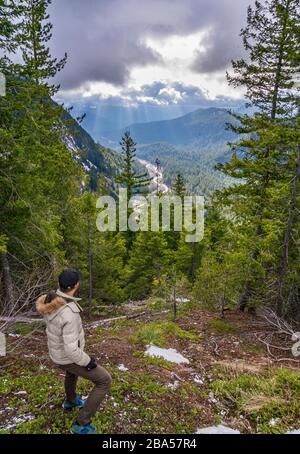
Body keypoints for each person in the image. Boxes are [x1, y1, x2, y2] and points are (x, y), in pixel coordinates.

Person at [36, 268, 112, 434]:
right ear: (76, 285)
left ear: (60, 284)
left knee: (72, 373)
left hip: (57, 354)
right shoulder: (69, 312)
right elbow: (71, 350)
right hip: (66, 357)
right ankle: (82, 423)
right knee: (104, 380)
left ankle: (70, 401)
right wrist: (88, 362)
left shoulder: (51, 301)